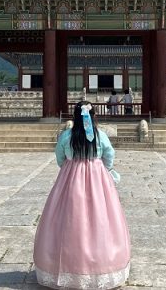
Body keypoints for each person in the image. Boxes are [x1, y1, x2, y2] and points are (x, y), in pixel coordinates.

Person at [33, 101, 131, 289]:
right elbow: (109, 155)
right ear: (93, 116)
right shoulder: (99, 135)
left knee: (68, 218)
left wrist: (70, 168)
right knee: (100, 217)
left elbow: (60, 157)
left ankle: (66, 265)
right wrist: (103, 169)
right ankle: (100, 264)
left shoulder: (67, 136)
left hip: (70, 178)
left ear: (74, 116)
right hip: (97, 177)